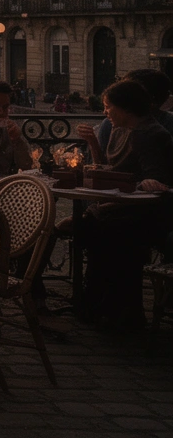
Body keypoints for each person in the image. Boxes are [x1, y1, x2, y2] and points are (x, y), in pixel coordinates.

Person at [74, 80, 173, 329]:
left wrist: (141, 185)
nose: (105, 112)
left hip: (147, 214)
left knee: (101, 230)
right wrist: (93, 144)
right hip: (121, 208)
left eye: (108, 107)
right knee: (92, 225)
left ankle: (109, 307)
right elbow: (111, 172)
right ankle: (102, 305)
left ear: (126, 108)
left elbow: (156, 183)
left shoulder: (152, 135)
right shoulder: (120, 130)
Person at [78, 69, 173, 164]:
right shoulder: (113, 126)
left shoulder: (154, 132)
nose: (105, 112)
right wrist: (93, 142)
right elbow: (104, 166)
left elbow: (156, 174)